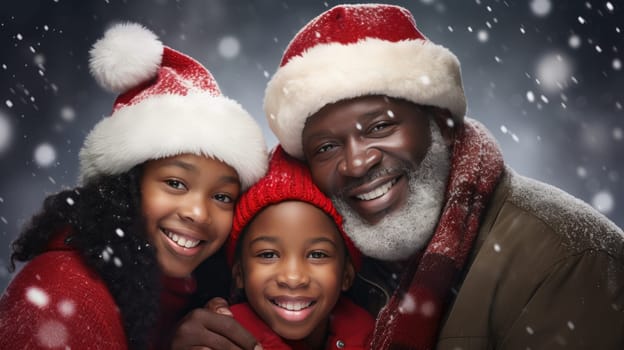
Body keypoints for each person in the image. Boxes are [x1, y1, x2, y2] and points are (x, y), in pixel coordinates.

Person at [173, 3, 624, 350]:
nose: (356, 163)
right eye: (327, 147)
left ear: (442, 123)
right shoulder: (349, 248)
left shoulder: (566, 259)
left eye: (380, 126)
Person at [0, 22, 267, 350]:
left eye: (223, 196)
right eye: (175, 183)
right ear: (124, 186)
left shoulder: (188, 294)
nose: (198, 213)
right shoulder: (62, 296)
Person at [225, 146, 374, 350]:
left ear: (346, 274)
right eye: (268, 254)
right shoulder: (220, 339)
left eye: (317, 254)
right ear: (239, 273)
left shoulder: (375, 335)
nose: (293, 278)